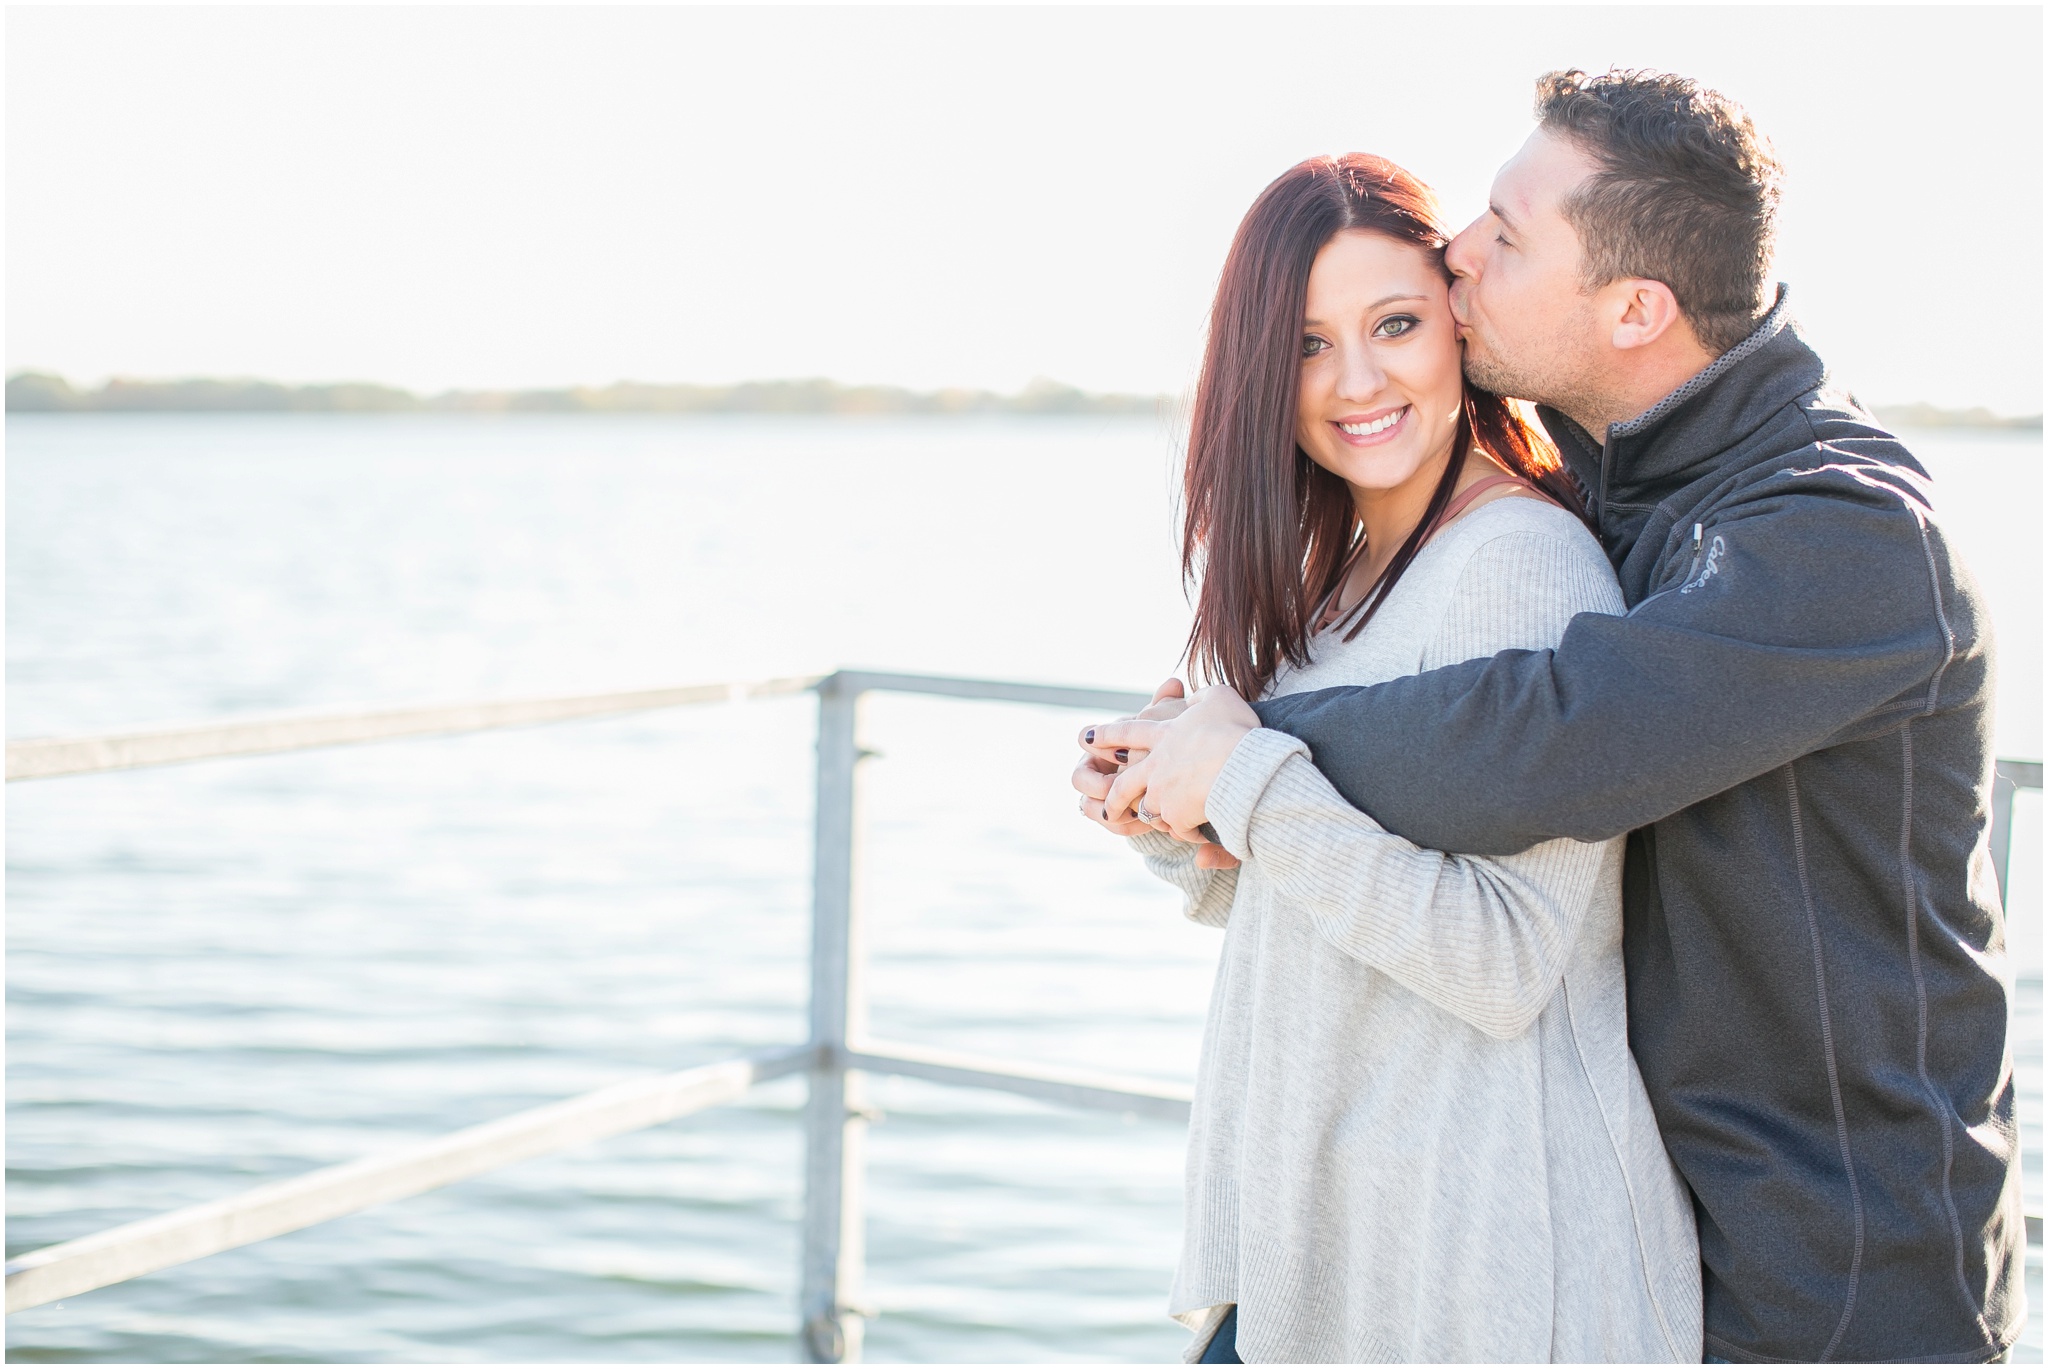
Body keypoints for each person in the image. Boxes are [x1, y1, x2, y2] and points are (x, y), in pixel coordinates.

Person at [1078, 70, 2021, 1363]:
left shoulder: (1838, 534)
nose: (1462, 249)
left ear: (1636, 306)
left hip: (1835, 1263)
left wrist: (1247, 757)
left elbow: (1539, 743)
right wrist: (1194, 793)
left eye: (1506, 236)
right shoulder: (1619, 490)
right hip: (1641, 1206)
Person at [1076, 149, 1702, 1363]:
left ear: (1457, 328)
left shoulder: (1520, 565)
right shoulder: (1337, 577)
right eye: (1307, 344)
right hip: (1334, 1241)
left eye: (1395, 324)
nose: (1354, 380)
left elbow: (1502, 956)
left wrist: (1249, 781)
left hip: (1481, 1265)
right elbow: (1323, 902)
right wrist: (1175, 816)